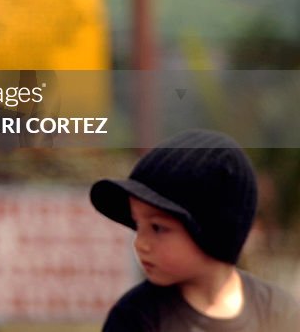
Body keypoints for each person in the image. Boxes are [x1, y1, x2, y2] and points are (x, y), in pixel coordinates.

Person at [90, 129, 300, 331]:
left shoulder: (279, 313)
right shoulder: (135, 316)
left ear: (213, 232)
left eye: (157, 228)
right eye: (137, 225)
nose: (140, 243)